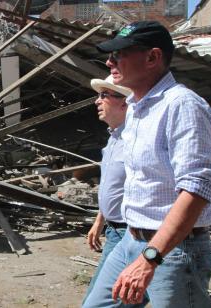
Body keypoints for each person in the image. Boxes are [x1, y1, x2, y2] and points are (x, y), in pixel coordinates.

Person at [83, 21, 211, 308]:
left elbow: (196, 190)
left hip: (174, 250)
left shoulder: (182, 105)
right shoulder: (137, 110)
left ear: (153, 57)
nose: (110, 61)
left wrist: (151, 258)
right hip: (130, 240)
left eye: (119, 55)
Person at [82, 75, 131, 304]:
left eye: (104, 95)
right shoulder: (113, 139)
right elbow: (113, 187)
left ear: (125, 102)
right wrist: (99, 221)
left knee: (104, 300)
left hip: (130, 234)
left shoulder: (134, 140)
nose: (97, 101)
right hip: (114, 230)